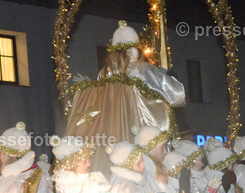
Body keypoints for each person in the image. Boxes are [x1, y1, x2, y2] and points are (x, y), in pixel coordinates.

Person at [65, 20, 185, 173]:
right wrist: (166, 75)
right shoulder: (145, 70)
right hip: (147, 137)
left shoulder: (104, 73)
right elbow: (178, 96)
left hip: (114, 134)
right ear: (137, 48)